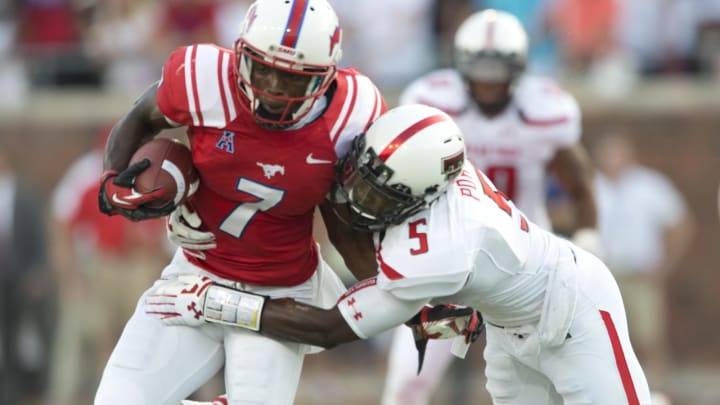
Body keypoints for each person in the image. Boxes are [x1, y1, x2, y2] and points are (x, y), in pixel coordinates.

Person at [151, 104, 653, 404]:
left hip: (573, 311)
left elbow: (329, 328)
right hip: (506, 326)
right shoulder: (431, 170)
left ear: (425, 194)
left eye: (380, 195)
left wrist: (210, 302)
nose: (361, 198)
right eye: (364, 180)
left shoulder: (441, 248)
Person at [93, 0, 386, 403]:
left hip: (280, 296)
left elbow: (345, 229)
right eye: (264, 69)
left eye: (293, 79)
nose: (273, 91)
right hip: (194, 275)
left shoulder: (350, 117)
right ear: (240, 53)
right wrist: (112, 179)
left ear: (326, 78)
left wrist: (397, 287)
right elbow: (141, 115)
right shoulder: (204, 78)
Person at [383, 9, 599, 404]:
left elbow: (581, 185)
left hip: (525, 265)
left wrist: (587, 241)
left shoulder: (545, 113)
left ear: (517, 69)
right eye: (479, 67)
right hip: (448, 261)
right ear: (460, 65)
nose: (488, 80)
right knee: (409, 383)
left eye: (497, 69)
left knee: (535, 382)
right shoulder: (432, 103)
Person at [48, 127, 170, 404]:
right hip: (105, 264)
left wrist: (160, 263)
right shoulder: (88, 172)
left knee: (145, 339)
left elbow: (167, 225)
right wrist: (69, 273)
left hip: (141, 264)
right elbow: (62, 221)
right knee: (99, 337)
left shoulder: (150, 170)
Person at [593, 131, 695, 402]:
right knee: (604, 340)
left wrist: (665, 264)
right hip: (604, 275)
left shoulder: (650, 185)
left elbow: (680, 224)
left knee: (649, 338)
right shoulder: (594, 186)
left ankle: (656, 393)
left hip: (640, 274)